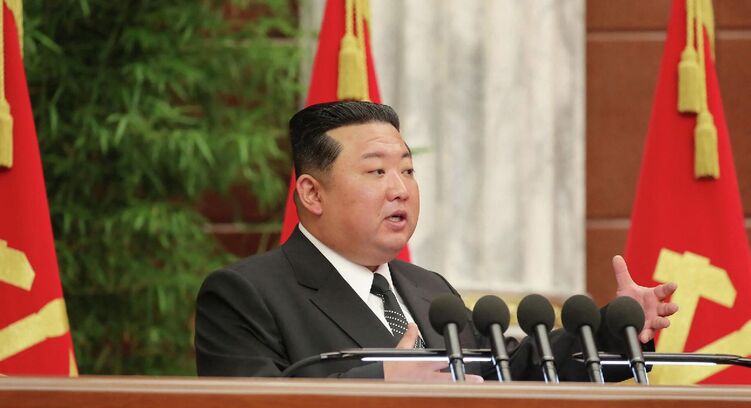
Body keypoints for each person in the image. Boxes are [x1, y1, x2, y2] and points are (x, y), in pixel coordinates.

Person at [195, 101, 678, 381]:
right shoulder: (246, 294)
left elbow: (515, 367)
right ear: (312, 193)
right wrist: (381, 379)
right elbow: (249, 407)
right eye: (376, 171)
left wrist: (617, 332)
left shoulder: (428, 289)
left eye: (407, 170)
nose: (400, 189)